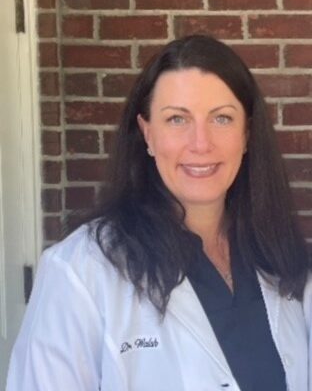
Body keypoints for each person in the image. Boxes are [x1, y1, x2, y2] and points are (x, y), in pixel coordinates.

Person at [6, 35, 311, 391]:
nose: (201, 143)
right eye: (177, 119)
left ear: (246, 134)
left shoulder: (281, 258)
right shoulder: (80, 272)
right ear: (147, 134)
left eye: (222, 118)